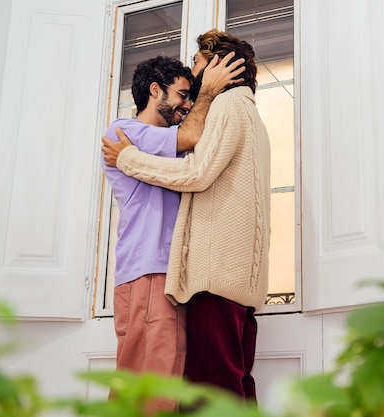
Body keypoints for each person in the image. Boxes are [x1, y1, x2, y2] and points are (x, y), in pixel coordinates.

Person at [101, 29, 271, 403]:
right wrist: (208, 92)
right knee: (151, 386)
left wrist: (209, 93)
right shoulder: (124, 133)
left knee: (182, 387)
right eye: (182, 94)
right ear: (155, 91)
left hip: (183, 276)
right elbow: (191, 143)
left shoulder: (221, 116)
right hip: (149, 271)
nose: (189, 99)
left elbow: (195, 169)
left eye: (197, 75)